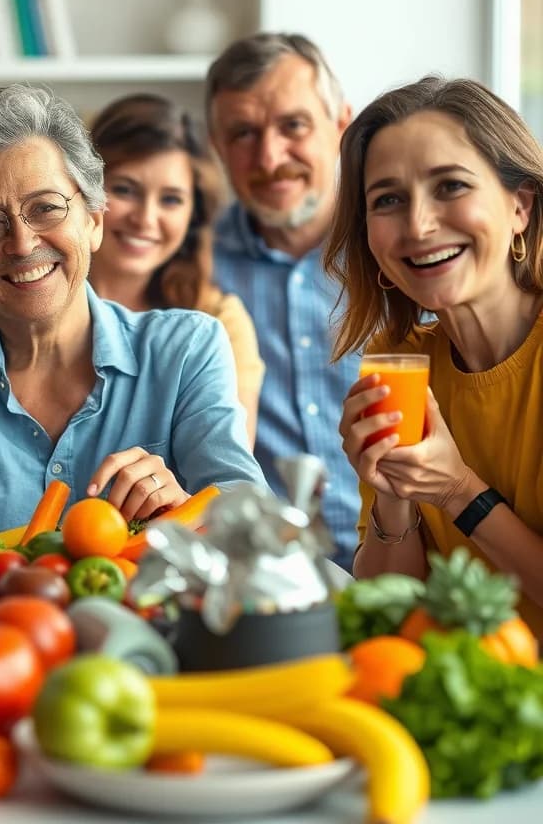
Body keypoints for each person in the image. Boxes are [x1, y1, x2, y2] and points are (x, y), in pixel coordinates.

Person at [0, 84, 265, 542]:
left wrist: (186, 509)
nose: (22, 244)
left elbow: (250, 516)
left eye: (45, 208)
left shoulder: (188, 348)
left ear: (94, 220)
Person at [327, 76, 543, 633]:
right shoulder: (397, 359)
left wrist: (456, 490)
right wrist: (392, 497)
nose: (419, 226)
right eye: (388, 200)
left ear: (519, 207)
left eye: (449, 186)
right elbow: (390, 612)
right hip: (458, 694)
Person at [205, 32, 360, 568]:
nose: (270, 157)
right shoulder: (188, 272)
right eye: (243, 133)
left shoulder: (406, 253)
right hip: (263, 580)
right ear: (217, 146)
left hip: (415, 564)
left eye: (293, 126)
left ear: (341, 123)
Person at [87, 93, 264, 445]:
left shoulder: (220, 321)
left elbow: (227, 476)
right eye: (124, 190)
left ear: (193, 216)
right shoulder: (30, 297)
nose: (145, 219)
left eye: (171, 199)